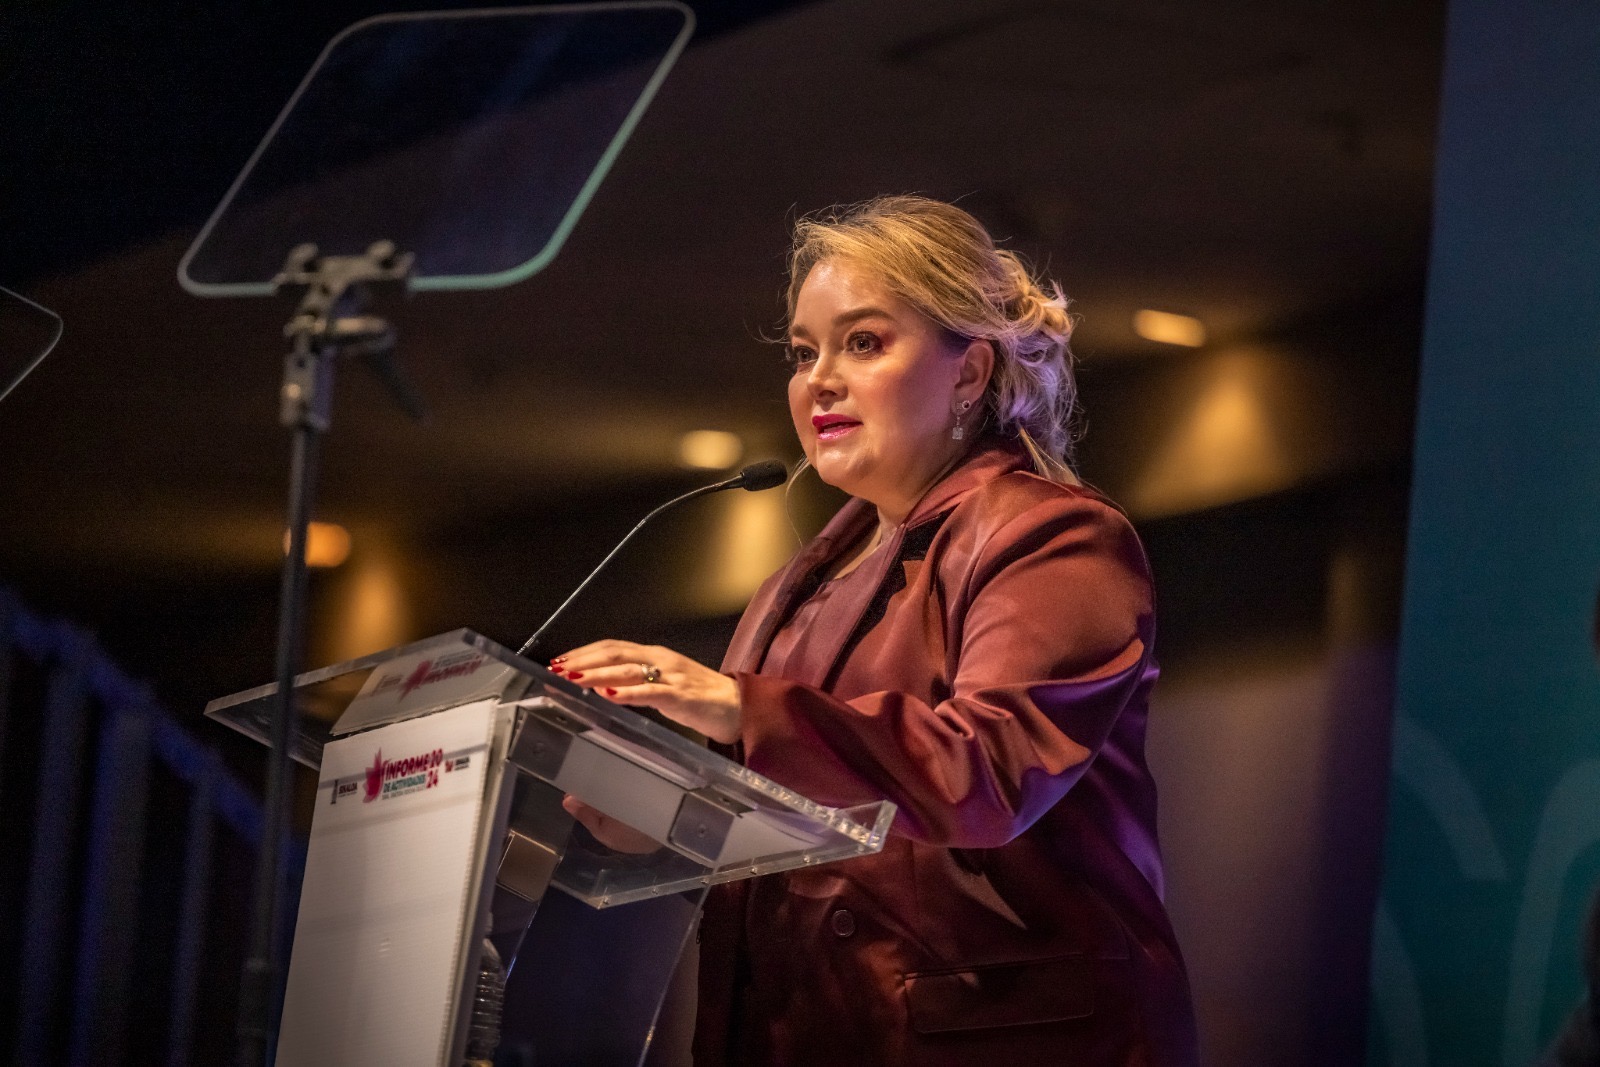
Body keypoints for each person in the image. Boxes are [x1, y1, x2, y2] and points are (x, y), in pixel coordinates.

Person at [550, 195, 1198, 1065]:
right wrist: (665, 818)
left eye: (862, 342)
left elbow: (985, 771)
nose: (819, 379)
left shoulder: (1052, 536)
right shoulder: (793, 590)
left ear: (968, 373)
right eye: (803, 352)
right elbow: (804, 825)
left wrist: (743, 709)